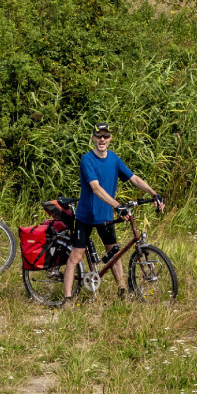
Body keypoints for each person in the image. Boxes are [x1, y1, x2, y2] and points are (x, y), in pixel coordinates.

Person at [62, 122, 165, 301]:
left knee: (114, 254)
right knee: (75, 257)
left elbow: (134, 178)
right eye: (98, 136)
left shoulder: (114, 159)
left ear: (110, 138)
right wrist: (117, 205)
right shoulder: (87, 160)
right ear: (93, 138)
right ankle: (68, 298)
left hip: (105, 217)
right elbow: (95, 188)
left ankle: (122, 290)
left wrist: (154, 194)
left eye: (105, 136)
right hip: (86, 216)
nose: (102, 139)